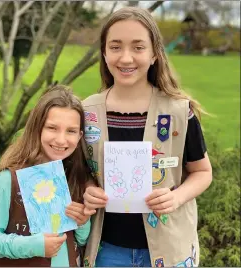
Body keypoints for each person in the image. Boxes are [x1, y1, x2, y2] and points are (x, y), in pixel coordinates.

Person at [81, 7, 212, 268]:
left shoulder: (178, 111)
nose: (126, 58)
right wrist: (87, 189)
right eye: (115, 47)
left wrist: (176, 196)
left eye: (138, 47)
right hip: (107, 252)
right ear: (104, 53)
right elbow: (79, 171)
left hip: (170, 249)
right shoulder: (86, 113)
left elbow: (202, 172)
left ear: (154, 54)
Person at [0, 85, 94, 267]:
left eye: (71, 131)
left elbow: (79, 242)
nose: (61, 140)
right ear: (36, 129)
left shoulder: (73, 178)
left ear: (80, 137)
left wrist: (82, 222)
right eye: (52, 128)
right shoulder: (7, 181)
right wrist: (34, 245)